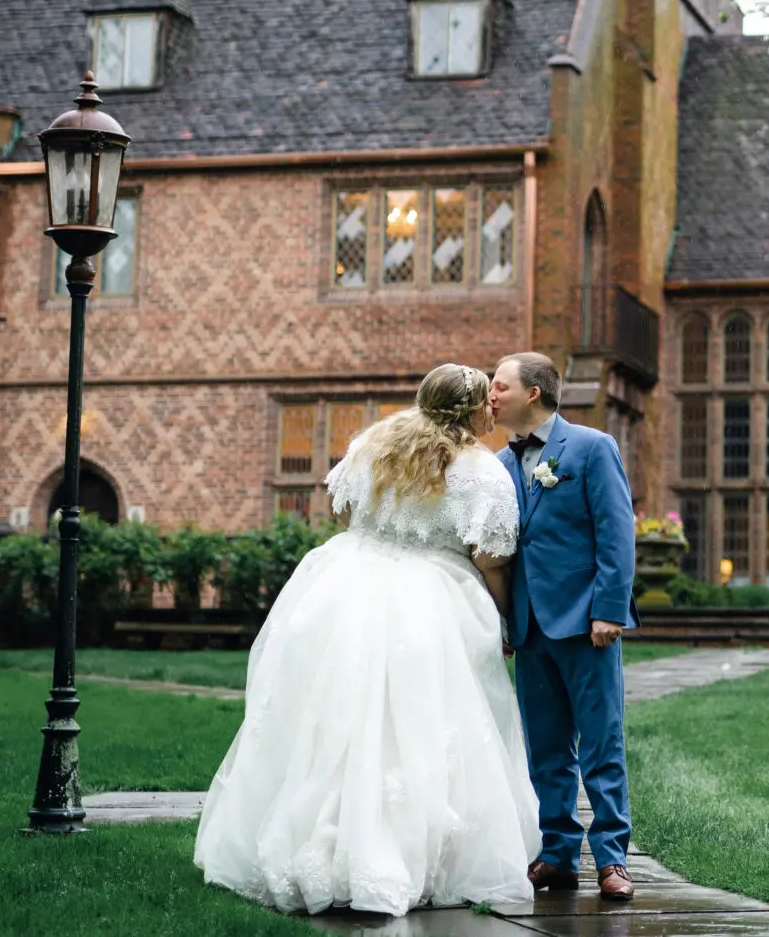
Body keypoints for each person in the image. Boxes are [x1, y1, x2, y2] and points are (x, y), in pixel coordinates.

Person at [193, 364, 538, 915]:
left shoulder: (373, 444)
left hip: (347, 585)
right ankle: (404, 850)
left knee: (337, 715)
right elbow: (491, 558)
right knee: (421, 722)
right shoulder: (482, 472)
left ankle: (322, 838)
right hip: (432, 602)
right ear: (472, 410)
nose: (492, 412)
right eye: (485, 404)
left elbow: (346, 511)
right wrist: (504, 616)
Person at [488, 352, 638, 902]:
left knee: (601, 744)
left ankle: (612, 858)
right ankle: (557, 854)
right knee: (546, 749)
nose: (490, 395)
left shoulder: (593, 448)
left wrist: (609, 609)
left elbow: (616, 532)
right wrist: (504, 621)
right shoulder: (499, 465)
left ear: (533, 393)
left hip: (585, 621)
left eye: (499, 386)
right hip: (529, 627)